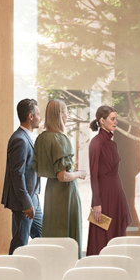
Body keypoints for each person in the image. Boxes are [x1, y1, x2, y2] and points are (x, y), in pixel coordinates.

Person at [33, 99, 84, 256]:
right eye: (67, 112)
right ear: (61, 114)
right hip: (66, 193)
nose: (67, 116)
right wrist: (79, 174)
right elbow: (62, 176)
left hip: (51, 192)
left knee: (52, 233)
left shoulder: (41, 138)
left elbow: (39, 171)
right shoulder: (61, 139)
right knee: (68, 236)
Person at [85, 105, 133, 256]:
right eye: (112, 119)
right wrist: (96, 203)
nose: (115, 122)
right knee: (102, 235)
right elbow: (94, 175)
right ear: (102, 120)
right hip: (104, 196)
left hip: (116, 194)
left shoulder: (112, 143)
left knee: (116, 235)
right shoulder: (96, 143)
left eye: (116, 119)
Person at [0, 98, 41, 252]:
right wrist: (26, 203)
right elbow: (17, 175)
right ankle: (12, 267)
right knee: (20, 242)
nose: (40, 118)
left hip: (33, 197)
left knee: (43, 237)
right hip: (24, 201)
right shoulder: (20, 140)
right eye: (38, 114)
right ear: (30, 116)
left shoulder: (27, 137)